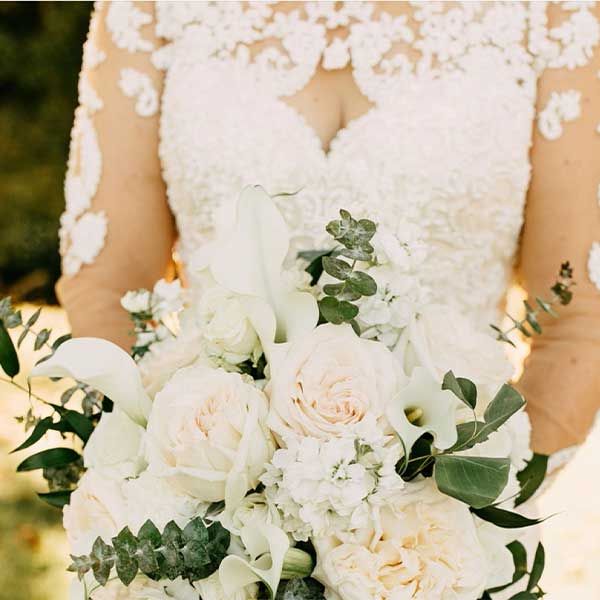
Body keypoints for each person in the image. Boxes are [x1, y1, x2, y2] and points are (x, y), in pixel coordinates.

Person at [58, 1, 600, 463]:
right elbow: (109, 288)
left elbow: (577, 321)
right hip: (196, 540)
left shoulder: (550, 15)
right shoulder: (152, 9)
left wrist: (476, 522)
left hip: (436, 554)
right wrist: (178, 494)